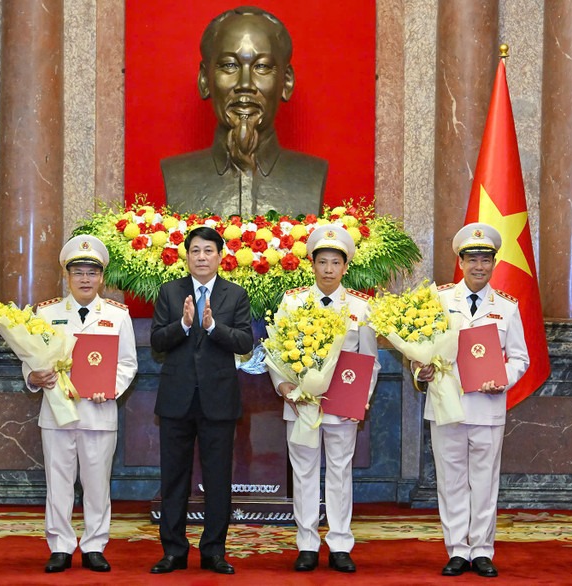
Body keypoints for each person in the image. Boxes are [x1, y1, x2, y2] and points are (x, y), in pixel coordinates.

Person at [412, 222, 529, 578]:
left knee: (484, 483)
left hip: (487, 407)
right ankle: (457, 550)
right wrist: (420, 371)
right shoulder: (438, 300)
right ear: (460, 262)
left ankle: (481, 550)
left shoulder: (506, 307)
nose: (479, 266)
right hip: (446, 406)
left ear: (494, 263)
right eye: (472, 259)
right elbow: (418, 350)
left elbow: (520, 358)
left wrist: (502, 379)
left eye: (485, 259)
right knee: (450, 481)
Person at [267, 225, 380, 573]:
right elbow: (275, 351)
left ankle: (340, 543)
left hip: (342, 407)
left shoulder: (360, 306)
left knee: (340, 473)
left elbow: (370, 360)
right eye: (322, 262)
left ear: (345, 267)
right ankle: (307, 544)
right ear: (312, 265)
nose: (329, 269)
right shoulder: (293, 302)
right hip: (301, 404)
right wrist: (283, 387)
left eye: (335, 263)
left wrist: (361, 400)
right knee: (303, 473)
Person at [23, 235, 138, 573]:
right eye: (78, 272)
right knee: (58, 483)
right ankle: (60, 546)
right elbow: (29, 357)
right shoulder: (46, 313)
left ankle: (94, 545)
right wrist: (34, 377)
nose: (85, 279)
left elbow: (127, 363)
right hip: (57, 412)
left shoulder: (117, 315)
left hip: (98, 412)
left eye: (92, 272)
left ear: (102, 277)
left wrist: (110, 388)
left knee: (97, 484)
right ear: (67, 275)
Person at [149, 226, 253, 575]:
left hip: (218, 400)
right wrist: (183, 324)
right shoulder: (170, 291)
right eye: (195, 250)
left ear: (220, 256)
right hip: (176, 399)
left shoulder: (235, 295)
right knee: (174, 478)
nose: (202, 257)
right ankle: (173, 551)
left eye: (208, 251)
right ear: (187, 256)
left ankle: (214, 552)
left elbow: (244, 342)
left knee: (218, 479)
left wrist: (211, 327)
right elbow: (157, 342)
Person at [161, 5, 327, 218]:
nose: (245, 84)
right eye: (229, 65)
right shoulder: (177, 175)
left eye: (262, 67)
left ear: (286, 82)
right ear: (204, 80)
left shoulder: (312, 175)